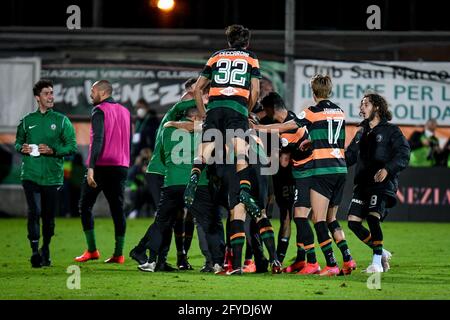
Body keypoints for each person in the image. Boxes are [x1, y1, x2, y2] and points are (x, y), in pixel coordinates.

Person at [252, 75, 350, 276]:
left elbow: (288, 129)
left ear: (313, 92)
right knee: (321, 218)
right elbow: (332, 139)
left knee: (312, 219)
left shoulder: (311, 113)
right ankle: (343, 259)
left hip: (314, 170)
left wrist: (259, 128)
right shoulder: (340, 112)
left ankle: (321, 263)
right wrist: (310, 143)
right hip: (338, 166)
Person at [131, 107, 225, 273]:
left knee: (161, 223)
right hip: (197, 183)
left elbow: (160, 154)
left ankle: (151, 261)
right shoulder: (206, 130)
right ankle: (217, 263)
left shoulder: (168, 129)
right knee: (209, 223)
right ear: (195, 116)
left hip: (172, 182)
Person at [15, 79, 77, 267]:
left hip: (52, 177)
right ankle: (35, 251)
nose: (51, 97)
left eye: (52, 93)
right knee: (34, 211)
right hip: (30, 175)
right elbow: (18, 142)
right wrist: (22, 148)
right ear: (37, 98)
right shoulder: (27, 121)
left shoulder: (61, 120)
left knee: (48, 217)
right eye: (46, 93)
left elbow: (71, 147)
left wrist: (53, 150)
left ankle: (46, 247)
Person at [345, 93, 410, 273]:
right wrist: (330, 158)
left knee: (373, 217)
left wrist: (388, 169)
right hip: (362, 185)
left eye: (365, 104)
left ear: (377, 108)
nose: (361, 108)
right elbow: (349, 156)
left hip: (382, 183)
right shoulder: (361, 133)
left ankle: (376, 264)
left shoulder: (392, 131)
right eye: (361, 104)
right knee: (353, 222)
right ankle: (381, 253)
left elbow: (403, 155)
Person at [74, 80, 131, 264]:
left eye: (92, 91)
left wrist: (91, 168)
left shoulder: (99, 111)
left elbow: (97, 140)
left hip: (101, 166)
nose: (90, 94)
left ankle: (92, 250)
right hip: (121, 166)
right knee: (117, 209)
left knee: (85, 206)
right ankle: (119, 254)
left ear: (102, 92)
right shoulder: (126, 112)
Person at [131, 98, 160, 163]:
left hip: (147, 155)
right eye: (137, 108)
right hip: (136, 154)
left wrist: (146, 153)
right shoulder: (138, 121)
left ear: (146, 108)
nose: (138, 110)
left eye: (140, 107)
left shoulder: (152, 120)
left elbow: (153, 139)